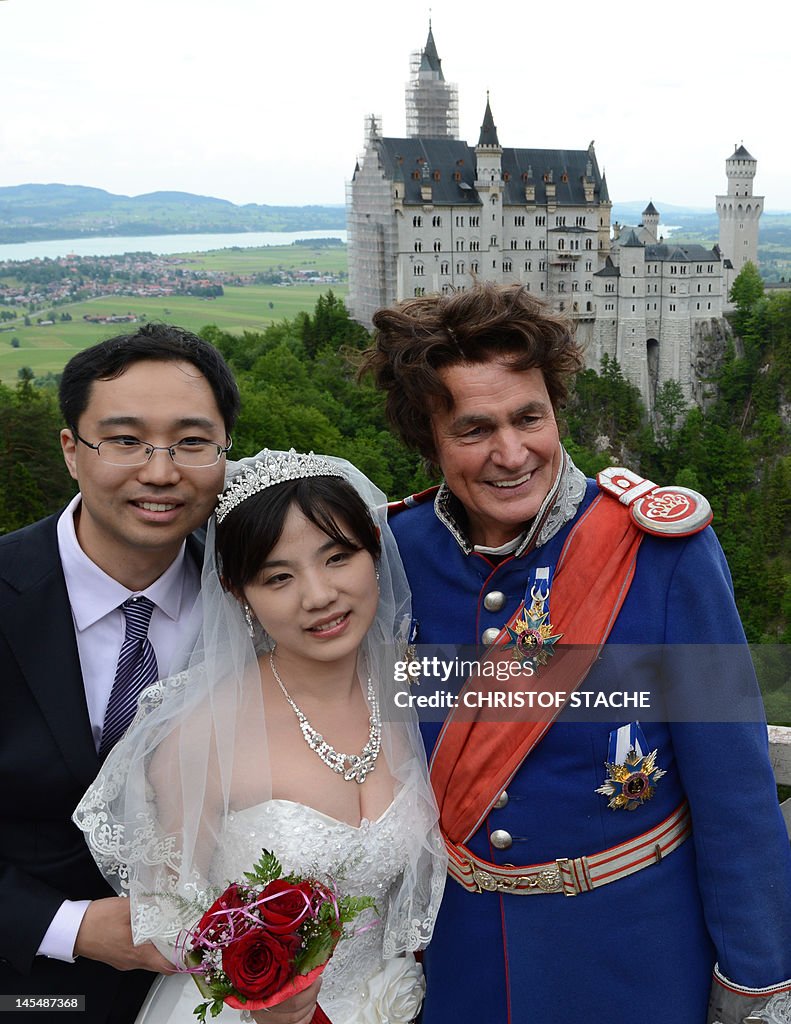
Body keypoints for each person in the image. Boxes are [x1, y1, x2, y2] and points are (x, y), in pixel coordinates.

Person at [363, 282, 791, 1024]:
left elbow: (735, 791)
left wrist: (756, 979)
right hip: (458, 965)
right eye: (473, 429)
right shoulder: (394, 554)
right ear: (427, 440)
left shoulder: (661, 554)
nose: (511, 452)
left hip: (637, 958)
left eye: (529, 417)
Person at [73, 449, 446, 1024]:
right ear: (239, 592)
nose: (318, 595)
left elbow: (604, 681)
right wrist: (254, 991)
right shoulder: (201, 731)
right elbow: (167, 917)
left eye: (338, 557)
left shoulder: (421, 687)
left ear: (375, 551)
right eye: (278, 577)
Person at [0, 324, 240, 1024]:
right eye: (126, 440)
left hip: (219, 999)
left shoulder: (260, 598)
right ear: (72, 451)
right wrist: (71, 928)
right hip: (31, 989)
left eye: (192, 443)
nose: (160, 471)